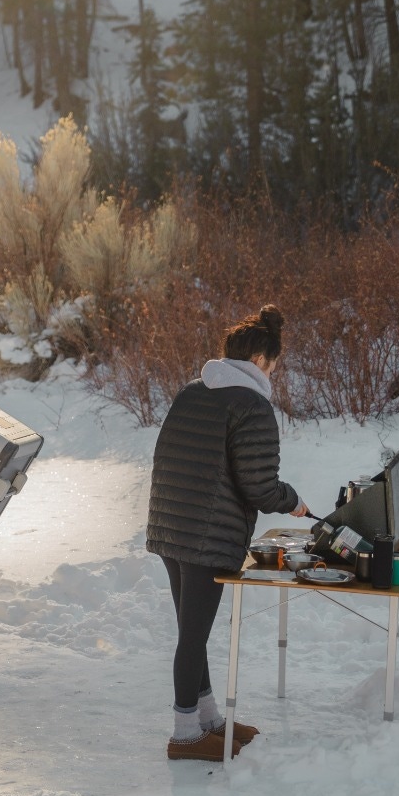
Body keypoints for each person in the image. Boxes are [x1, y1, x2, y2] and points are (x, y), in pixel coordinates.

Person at [146, 305, 310, 762]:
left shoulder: (191, 392)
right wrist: (293, 501)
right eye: (275, 363)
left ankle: (209, 720)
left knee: (190, 631)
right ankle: (184, 736)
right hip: (206, 533)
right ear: (261, 360)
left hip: (170, 523)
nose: (276, 371)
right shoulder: (251, 405)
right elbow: (258, 485)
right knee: (193, 636)